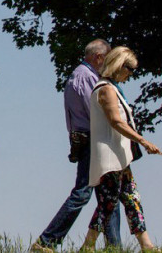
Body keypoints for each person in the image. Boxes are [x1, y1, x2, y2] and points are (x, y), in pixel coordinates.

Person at [31, 40, 120, 252]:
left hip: (89, 139)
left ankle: (114, 247)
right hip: (94, 139)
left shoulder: (79, 75)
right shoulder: (87, 77)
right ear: (98, 57)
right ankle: (46, 241)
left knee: (109, 195)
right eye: (107, 59)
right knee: (84, 193)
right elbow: (97, 112)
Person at [82, 46, 162, 251]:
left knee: (132, 199)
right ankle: (87, 246)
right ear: (119, 65)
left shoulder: (113, 88)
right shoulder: (106, 89)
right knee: (108, 203)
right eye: (130, 69)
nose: (131, 74)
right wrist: (143, 141)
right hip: (109, 157)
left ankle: (147, 246)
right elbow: (116, 122)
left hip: (119, 156)